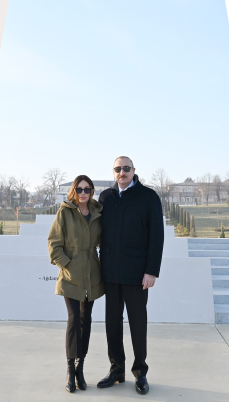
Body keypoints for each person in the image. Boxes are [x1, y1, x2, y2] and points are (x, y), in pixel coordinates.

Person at [96, 156, 164, 395]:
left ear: (134, 170)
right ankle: (116, 369)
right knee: (112, 324)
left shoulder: (148, 197)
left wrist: (151, 271)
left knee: (138, 324)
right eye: (118, 169)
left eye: (126, 168)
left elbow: (157, 235)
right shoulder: (105, 197)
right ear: (113, 172)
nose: (122, 172)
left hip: (137, 275)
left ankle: (140, 372)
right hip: (111, 273)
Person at [48, 175, 104, 393]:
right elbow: (54, 243)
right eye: (79, 189)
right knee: (73, 318)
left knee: (85, 319)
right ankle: (70, 369)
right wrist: (66, 265)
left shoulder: (98, 214)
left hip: (92, 274)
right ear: (73, 191)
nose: (83, 193)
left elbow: (104, 241)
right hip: (71, 275)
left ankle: (81, 368)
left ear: (92, 191)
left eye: (87, 189)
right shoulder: (65, 212)